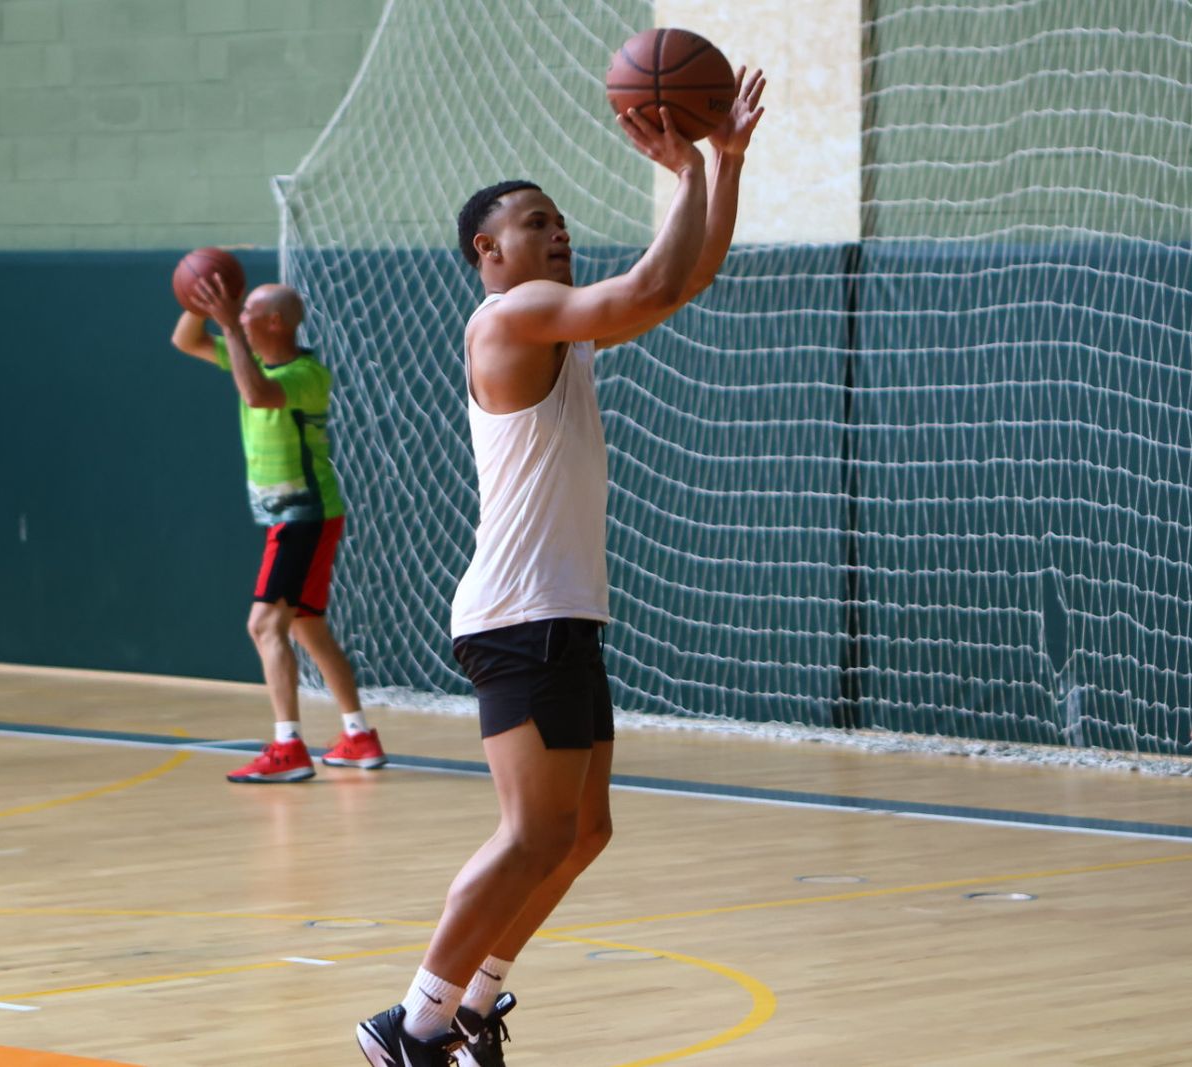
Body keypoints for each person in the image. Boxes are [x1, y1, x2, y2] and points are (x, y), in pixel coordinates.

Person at [354, 71, 766, 1067]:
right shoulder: (511, 314)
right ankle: (410, 1024)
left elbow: (685, 280)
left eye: (560, 222)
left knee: (581, 831)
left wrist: (723, 164)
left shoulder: (555, 322)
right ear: (487, 251)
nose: (558, 233)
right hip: (519, 615)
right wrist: (685, 171)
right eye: (536, 222)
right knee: (531, 831)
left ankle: (470, 1002)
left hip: (560, 612)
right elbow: (655, 286)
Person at [171, 276, 386, 781]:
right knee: (307, 625)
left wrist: (228, 327)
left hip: (301, 515)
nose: (238, 317)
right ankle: (358, 736)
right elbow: (185, 340)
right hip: (297, 516)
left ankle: (288, 746)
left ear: (273, 322)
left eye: (247, 311)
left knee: (264, 625)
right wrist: (197, 299)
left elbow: (257, 394)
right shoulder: (250, 357)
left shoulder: (306, 373)